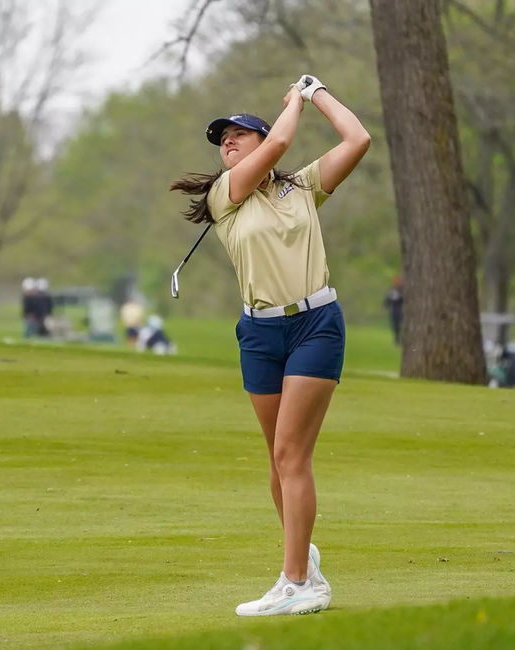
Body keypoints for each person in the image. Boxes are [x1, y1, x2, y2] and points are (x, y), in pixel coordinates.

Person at [170, 74, 370, 616]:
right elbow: (281, 141)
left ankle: (299, 582)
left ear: (260, 140)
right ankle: (301, 558)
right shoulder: (224, 195)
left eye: (238, 134)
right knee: (277, 460)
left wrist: (315, 92)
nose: (227, 143)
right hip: (258, 333)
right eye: (221, 139)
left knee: (291, 454)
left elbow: (357, 140)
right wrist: (293, 104)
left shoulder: (302, 188)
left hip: (315, 324)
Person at [384, 275, 404, 345]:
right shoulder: (392, 291)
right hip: (394, 310)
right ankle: (397, 339)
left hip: (401, 310)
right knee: (395, 325)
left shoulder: (402, 291)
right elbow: (387, 300)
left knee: (400, 325)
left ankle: (400, 339)